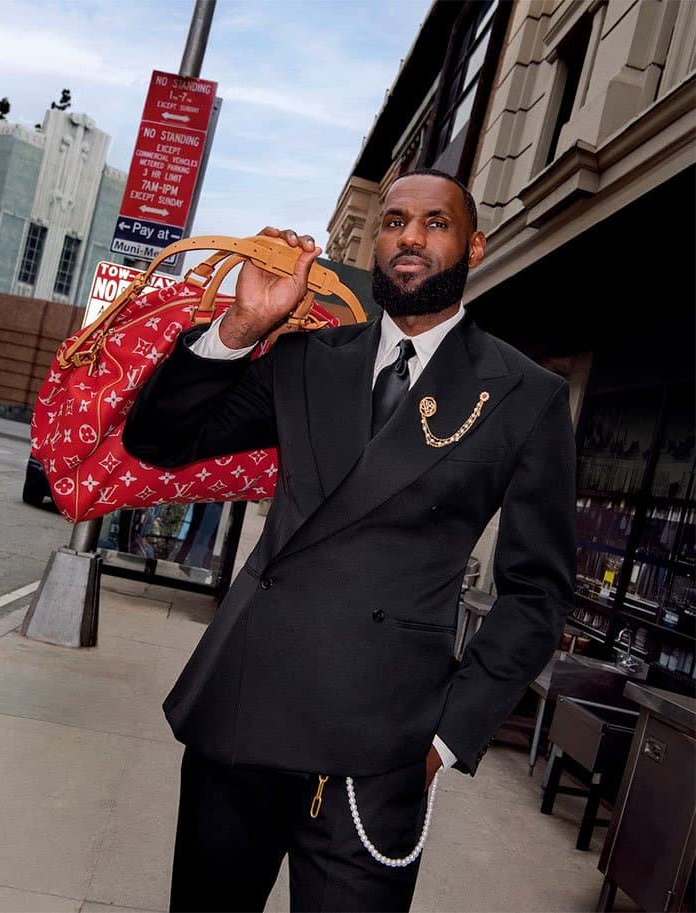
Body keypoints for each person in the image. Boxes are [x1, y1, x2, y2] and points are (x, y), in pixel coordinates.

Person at [123, 168, 576, 913]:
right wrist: (241, 328)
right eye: (394, 221)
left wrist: (446, 738)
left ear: (475, 246)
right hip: (246, 707)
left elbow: (538, 593)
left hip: (382, 746)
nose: (410, 238)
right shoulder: (308, 357)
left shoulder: (524, 394)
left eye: (435, 223)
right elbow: (160, 439)